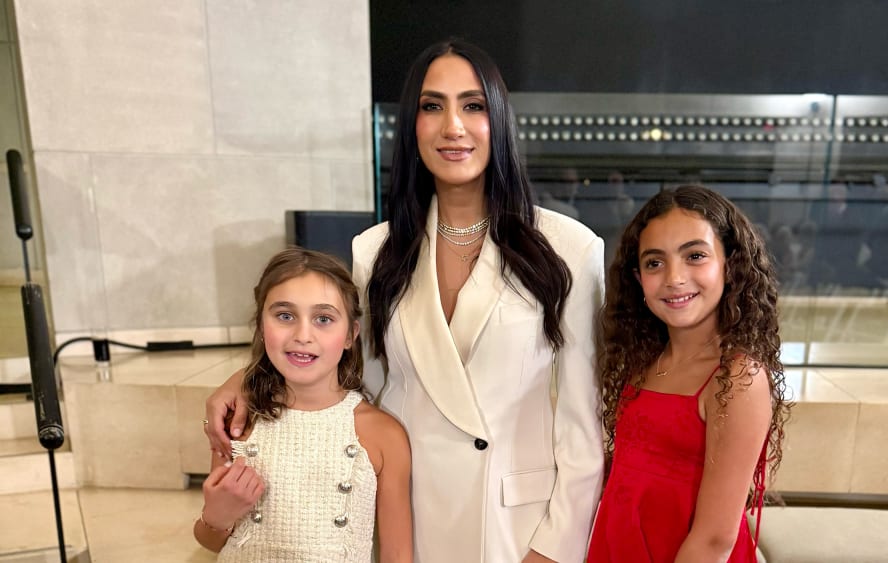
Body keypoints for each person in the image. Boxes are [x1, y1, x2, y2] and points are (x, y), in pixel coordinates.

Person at [205, 39, 605, 563]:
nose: (453, 126)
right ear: (411, 126)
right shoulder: (375, 250)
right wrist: (248, 377)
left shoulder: (570, 248)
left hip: (517, 528)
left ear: (499, 120)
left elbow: (583, 423)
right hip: (412, 520)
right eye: (432, 106)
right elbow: (349, 372)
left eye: (473, 105)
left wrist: (554, 549)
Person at [586, 185, 791, 563]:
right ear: (637, 278)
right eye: (654, 262)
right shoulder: (644, 361)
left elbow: (715, 539)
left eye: (695, 255)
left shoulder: (736, 377)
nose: (674, 278)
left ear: (730, 264)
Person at [195, 248, 413, 562]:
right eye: (285, 316)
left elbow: (397, 555)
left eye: (323, 319)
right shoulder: (240, 423)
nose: (302, 335)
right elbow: (211, 540)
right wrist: (217, 516)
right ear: (260, 324)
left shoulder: (382, 435)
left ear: (351, 334)